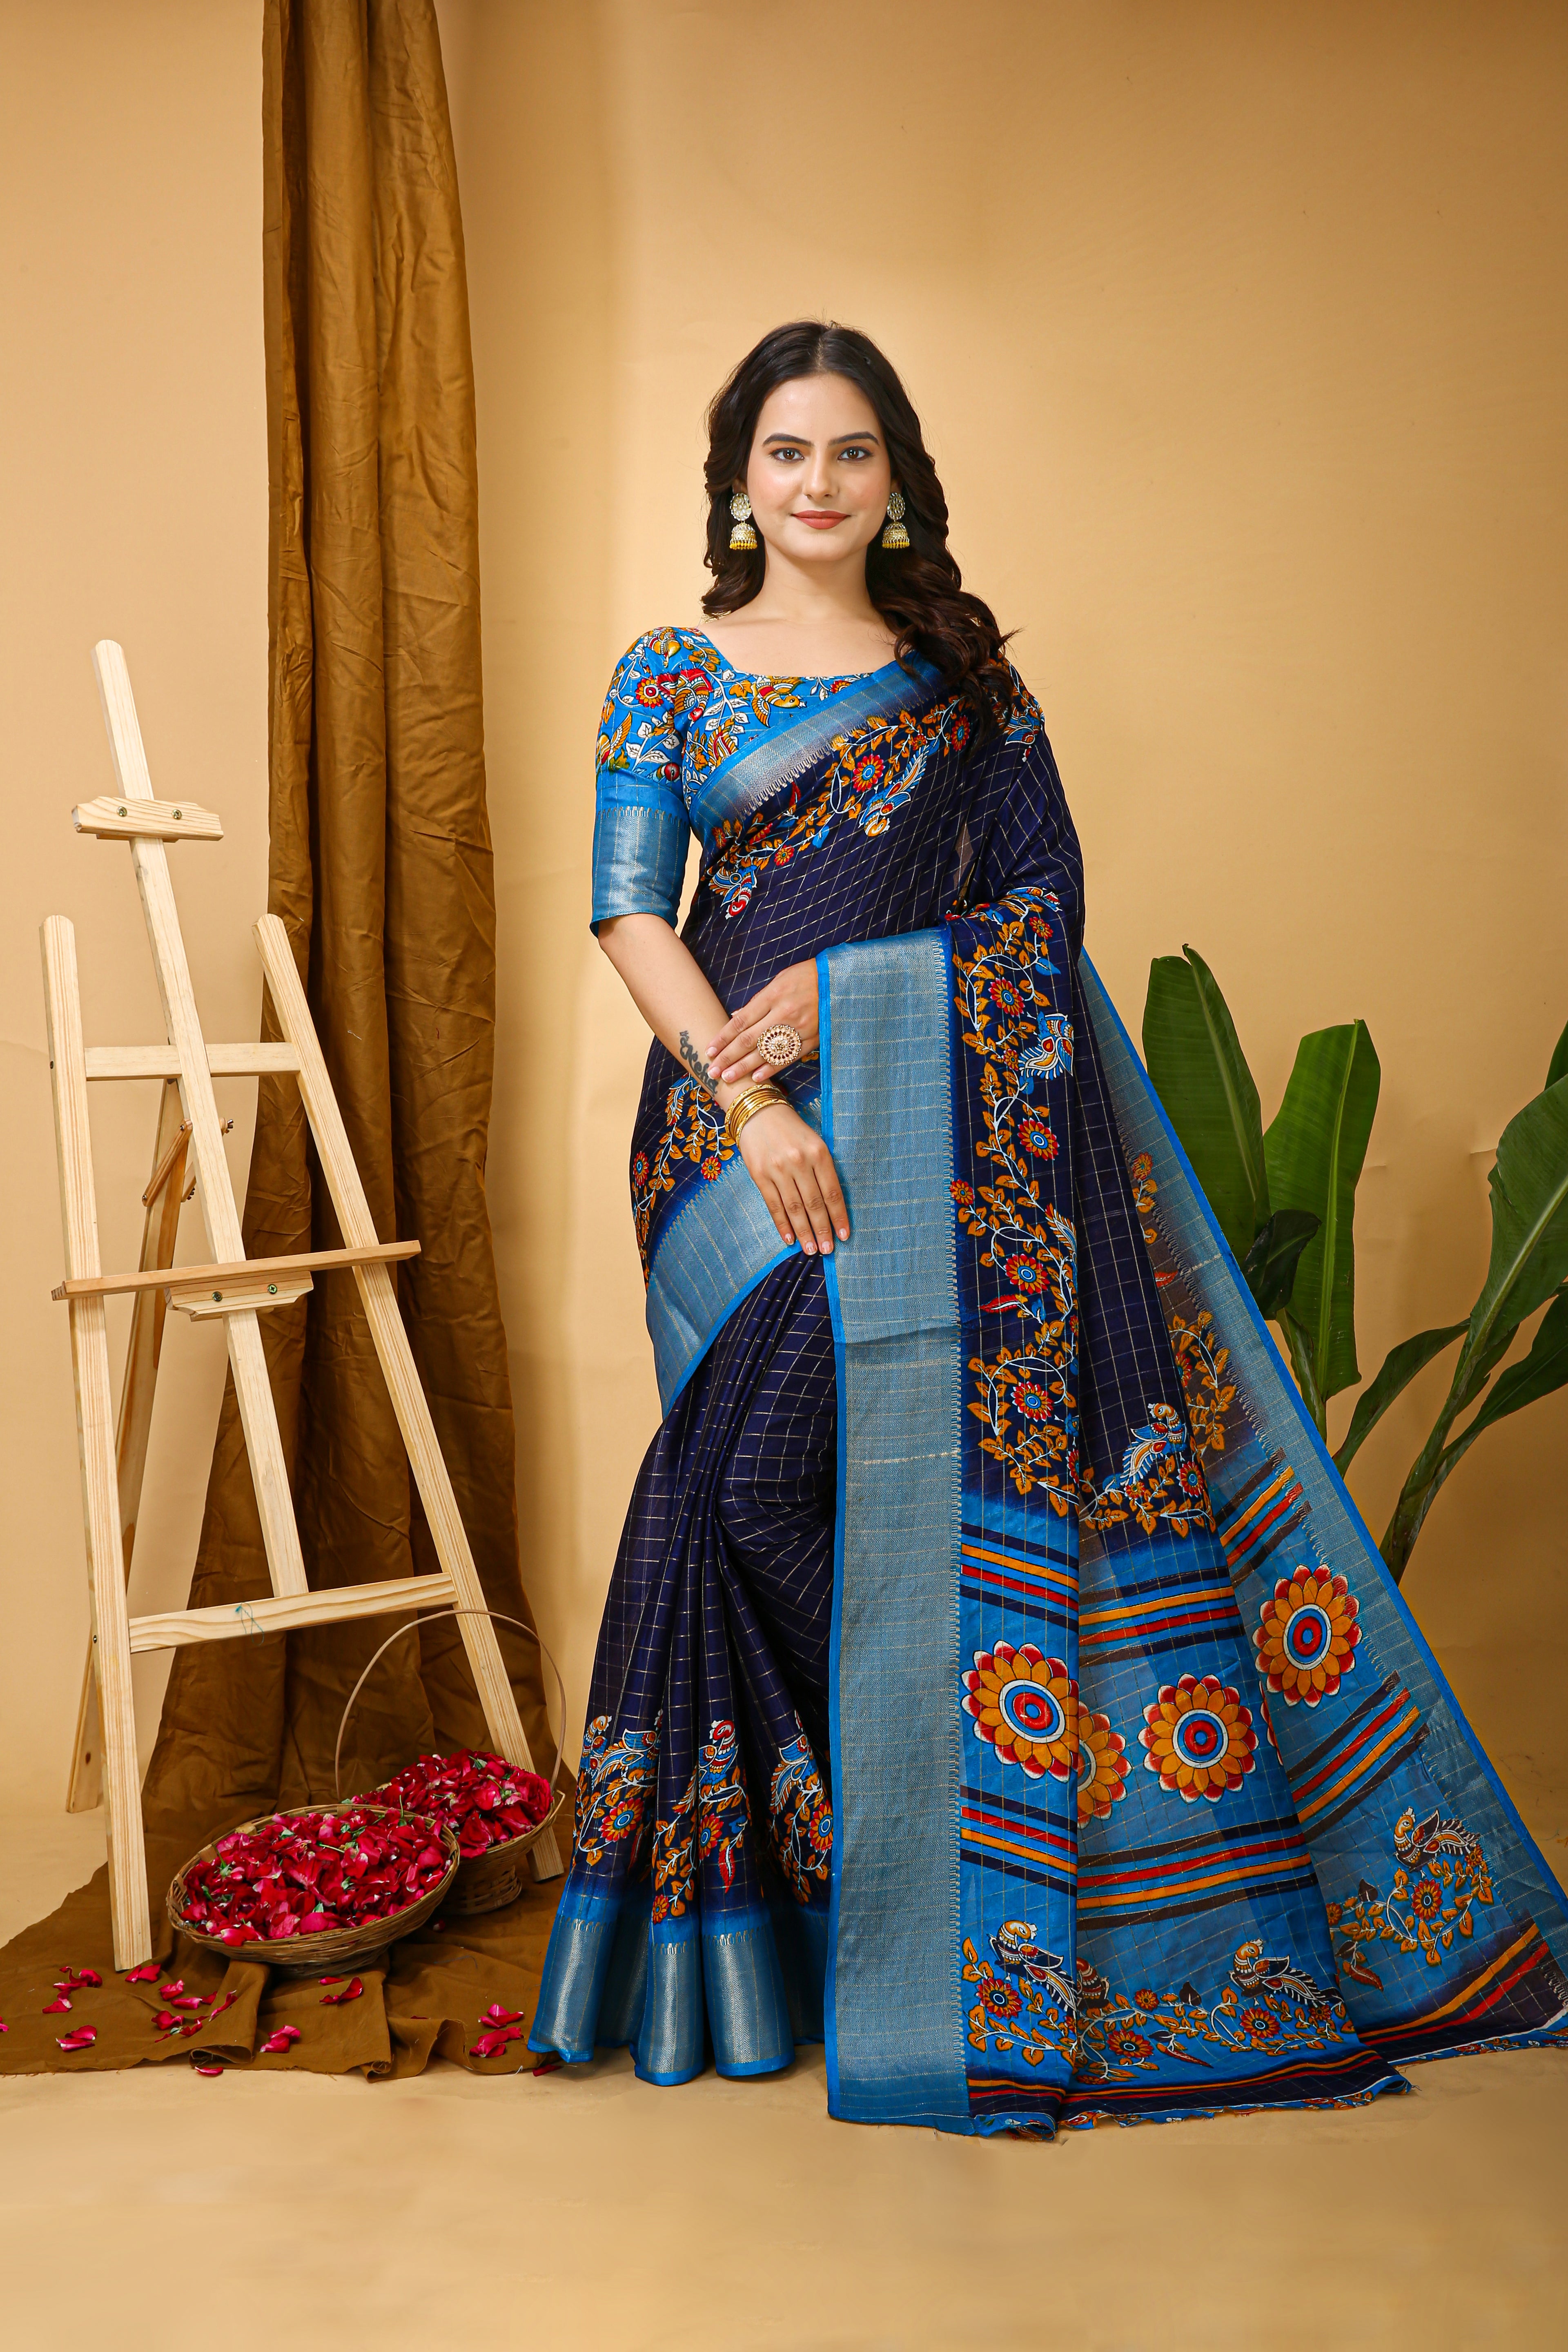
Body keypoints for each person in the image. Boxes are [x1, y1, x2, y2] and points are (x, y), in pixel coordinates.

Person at [528, 321, 1568, 2134]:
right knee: (748, 1486)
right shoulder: (671, 678)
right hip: (728, 1139)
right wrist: (755, 1099)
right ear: (735, 477)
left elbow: (1042, 908)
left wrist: (854, 997)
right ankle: (859, 1886)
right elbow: (631, 915)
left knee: (818, 1490)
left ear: (900, 477)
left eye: (855, 453)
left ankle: (936, 1884)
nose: (821, 485)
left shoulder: (963, 683)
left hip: (945, 1133)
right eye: (788, 452)